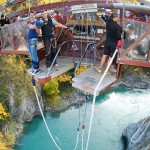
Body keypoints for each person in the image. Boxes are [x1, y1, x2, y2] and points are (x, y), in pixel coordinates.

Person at [27, 10, 41, 74]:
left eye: (33, 15)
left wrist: (35, 28)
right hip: (29, 40)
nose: (31, 16)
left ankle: (37, 68)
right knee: (31, 55)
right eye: (30, 15)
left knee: (34, 55)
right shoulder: (30, 23)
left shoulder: (37, 22)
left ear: (35, 15)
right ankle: (33, 67)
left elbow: (39, 32)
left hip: (33, 40)